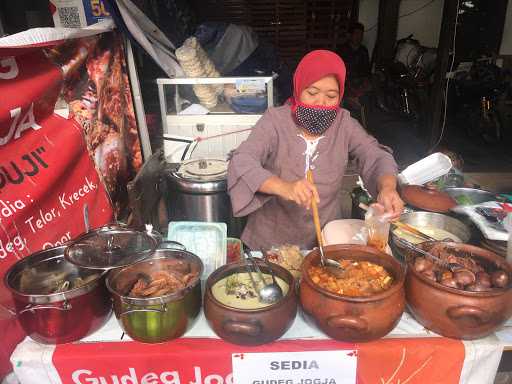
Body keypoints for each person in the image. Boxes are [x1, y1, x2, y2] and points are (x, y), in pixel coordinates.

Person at [227, 50, 403, 250]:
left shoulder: (344, 123)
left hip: (324, 239)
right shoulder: (275, 121)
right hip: (270, 241)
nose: (321, 103)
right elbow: (242, 159)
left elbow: (374, 154)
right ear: (298, 88)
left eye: (331, 96)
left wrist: (388, 187)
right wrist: (284, 187)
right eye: (312, 93)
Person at [338, 22, 371, 103]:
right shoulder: (342, 50)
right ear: (350, 35)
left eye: (361, 34)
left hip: (360, 83)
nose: (359, 37)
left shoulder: (364, 51)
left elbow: (366, 70)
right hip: (346, 82)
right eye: (356, 34)